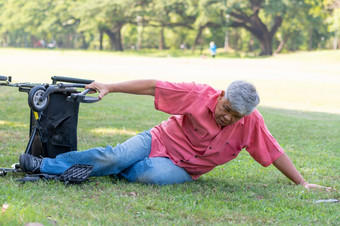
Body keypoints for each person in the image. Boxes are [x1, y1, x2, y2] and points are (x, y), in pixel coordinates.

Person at [19, 80, 330, 190]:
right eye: (226, 108)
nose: (227, 117)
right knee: (115, 156)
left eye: (236, 116)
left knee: (146, 175)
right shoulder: (198, 94)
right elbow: (156, 87)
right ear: (221, 95)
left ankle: (104, 170)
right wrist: (112, 86)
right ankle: (42, 165)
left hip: (184, 169)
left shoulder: (251, 123)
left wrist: (302, 182)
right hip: (159, 139)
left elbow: (274, 151)